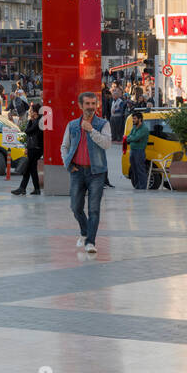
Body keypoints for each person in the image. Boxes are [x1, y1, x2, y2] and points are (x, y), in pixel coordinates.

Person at [60, 91, 110, 254]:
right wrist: (67, 164)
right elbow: (64, 146)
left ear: (97, 105)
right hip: (77, 171)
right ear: (81, 106)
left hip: (97, 173)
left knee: (94, 209)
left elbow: (107, 144)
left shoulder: (103, 124)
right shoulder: (72, 125)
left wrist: (91, 130)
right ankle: (84, 231)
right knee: (75, 207)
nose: (90, 107)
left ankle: (90, 242)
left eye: (93, 104)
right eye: (87, 104)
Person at [12, 102, 44, 196]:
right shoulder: (34, 121)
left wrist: (31, 121)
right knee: (32, 169)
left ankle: (22, 188)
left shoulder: (39, 121)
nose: (30, 112)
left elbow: (28, 131)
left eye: (31, 110)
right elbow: (28, 132)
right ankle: (36, 189)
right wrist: (30, 121)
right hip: (32, 147)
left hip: (36, 148)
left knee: (28, 168)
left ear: (36, 112)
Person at [127, 110, 152, 190]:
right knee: (134, 170)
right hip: (132, 151)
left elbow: (135, 137)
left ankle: (142, 187)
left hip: (139, 151)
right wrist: (131, 139)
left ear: (140, 119)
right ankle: (137, 186)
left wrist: (131, 138)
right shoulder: (134, 127)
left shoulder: (144, 129)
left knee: (140, 169)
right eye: (133, 119)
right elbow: (128, 137)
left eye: (134, 119)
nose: (133, 120)